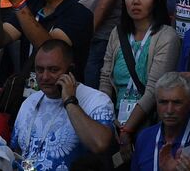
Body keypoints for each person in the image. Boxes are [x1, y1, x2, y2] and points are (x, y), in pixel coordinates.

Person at [97, 0, 180, 141]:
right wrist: (109, 120)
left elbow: (154, 91)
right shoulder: (117, 33)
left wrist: (127, 130)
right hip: (115, 121)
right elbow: (105, 80)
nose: (135, 1)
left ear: (156, 0)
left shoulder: (166, 36)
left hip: (147, 123)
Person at [11, 39, 115, 170]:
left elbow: (100, 144)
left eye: (53, 70)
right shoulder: (29, 102)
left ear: (70, 70)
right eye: (39, 70)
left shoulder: (96, 100)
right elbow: (17, 150)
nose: (44, 77)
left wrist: (70, 101)